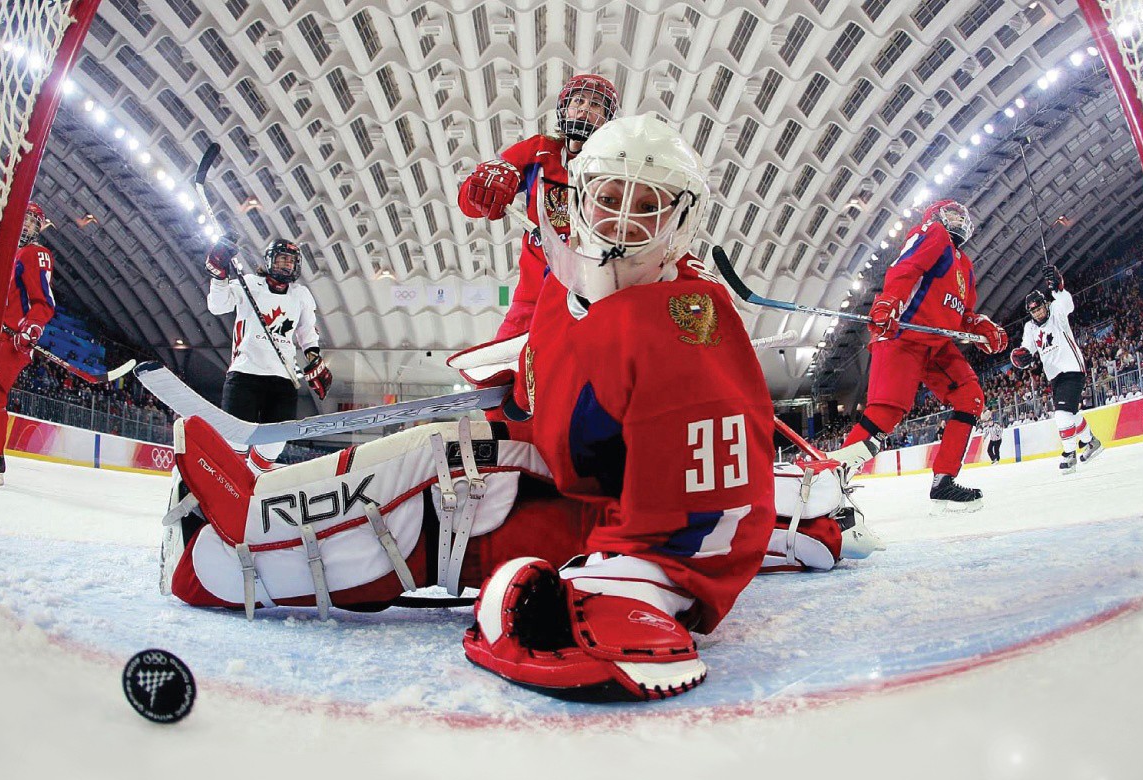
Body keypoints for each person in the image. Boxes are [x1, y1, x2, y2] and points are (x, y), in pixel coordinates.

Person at [160, 114, 874, 703]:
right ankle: (263, 508)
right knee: (457, 445)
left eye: (647, 204)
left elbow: (708, 505)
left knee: (453, 488)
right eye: (608, 198)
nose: (622, 221)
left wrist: (631, 590)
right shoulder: (577, 294)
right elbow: (565, 402)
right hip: (583, 486)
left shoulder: (686, 316)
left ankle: (234, 555)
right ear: (581, 198)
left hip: (606, 524)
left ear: (682, 220)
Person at [833, 198, 1007, 510]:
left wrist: (980, 326)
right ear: (937, 215)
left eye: (960, 213)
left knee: (970, 397)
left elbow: (961, 314)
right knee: (886, 414)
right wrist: (889, 301)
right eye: (951, 212)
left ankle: (944, 481)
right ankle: (831, 482)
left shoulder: (965, 266)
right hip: (904, 334)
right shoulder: (933, 233)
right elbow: (906, 267)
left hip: (936, 344)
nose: (957, 218)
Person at [450, 73, 619, 386]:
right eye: (578, 101)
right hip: (532, 298)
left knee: (586, 382)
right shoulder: (540, 150)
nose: (584, 110)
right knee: (499, 378)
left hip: (594, 299)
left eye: (595, 104)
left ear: (608, 117)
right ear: (564, 109)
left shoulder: (619, 163)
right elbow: (469, 205)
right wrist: (483, 187)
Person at [203, 236, 331, 472]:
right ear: (270, 260)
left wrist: (315, 360)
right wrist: (219, 275)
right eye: (281, 259)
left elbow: (307, 333)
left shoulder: (300, 295)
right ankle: (230, 481)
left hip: (283, 379)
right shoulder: (249, 283)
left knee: (274, 443)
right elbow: (218, 306)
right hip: (245, 375)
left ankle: (254, 479)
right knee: (235, 440)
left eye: (291, 261)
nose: (286, 265)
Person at [0, 202, 57, 485]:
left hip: (10, 340)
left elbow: (44, 301)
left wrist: (31, 327)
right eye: (24, 218)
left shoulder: (36, 253)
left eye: (33, 220)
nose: (27, 224)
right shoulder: (7, 253)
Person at [1012, 265, 1102, 473]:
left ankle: (1069, 454)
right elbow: (1026, 348)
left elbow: (1066, 303)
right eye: (1034, 311)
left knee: (1062, 414)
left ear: (1045, 304)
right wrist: (1019, 357)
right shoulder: (1030, 327)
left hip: (1072, 368)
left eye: (1040, 307)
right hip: (1055, 376)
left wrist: (1058, 288)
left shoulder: (1056, 312)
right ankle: (1091, 442)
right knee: (1072, 412)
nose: (1039, 312)